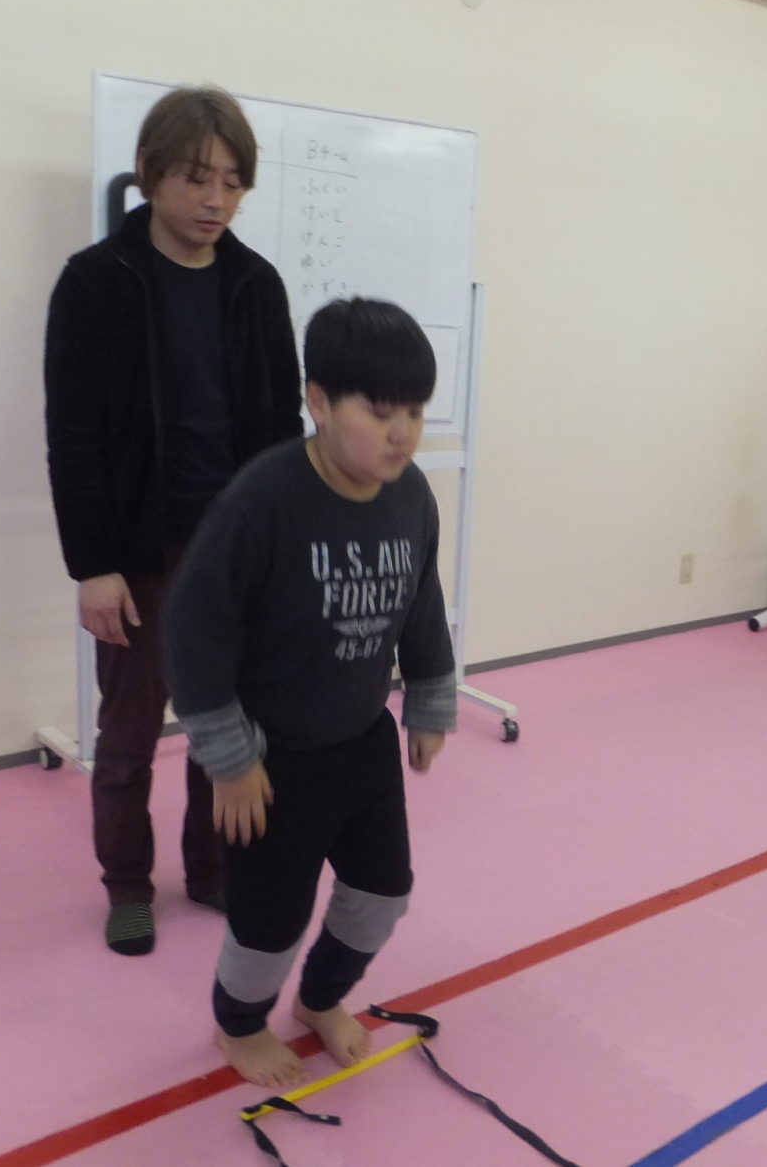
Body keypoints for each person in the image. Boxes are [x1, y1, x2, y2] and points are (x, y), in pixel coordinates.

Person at [164, 298, 457, 1088]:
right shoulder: (263, 500)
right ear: (319, 402)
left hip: (361, 743)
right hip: (269, 762)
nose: (402, 433)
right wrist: (229, 760)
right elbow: (192, 632)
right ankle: (240, 1024)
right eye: (381, 412)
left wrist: (429, 700)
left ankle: (322, 996)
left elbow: (420, 602)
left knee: (382, 892)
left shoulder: (411, 495)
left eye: (415, 412)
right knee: (270, 920)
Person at [44, 85, 302, 956]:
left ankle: (213, 869)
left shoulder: (256, 286)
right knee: (126, 738)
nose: (215, 199)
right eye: (197, 178)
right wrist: (94, 564)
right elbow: (72, 435)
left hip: (234, 548)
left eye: (232, 182)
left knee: (224, 726)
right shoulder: (95, 283)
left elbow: (280, 432)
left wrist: (280, 547)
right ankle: (127, 885)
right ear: (150, 173)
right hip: (138, 552)